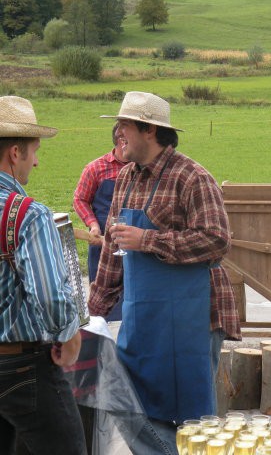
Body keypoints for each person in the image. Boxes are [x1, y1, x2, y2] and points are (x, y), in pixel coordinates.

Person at [88, 91, 241, 453]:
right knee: (124, 400)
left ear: (150, 131)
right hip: (145, 315)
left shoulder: (192, 177)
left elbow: (217, 241)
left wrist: (149, 240)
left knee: (192, 419)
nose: (118, 133)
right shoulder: (125, 178)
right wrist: (94, 311)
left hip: (194, 317)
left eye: (124, 126)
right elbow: (113, 247)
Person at [0, 96, 85, 454]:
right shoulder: (28, 215)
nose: (36, 161)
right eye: (34, 151)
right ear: (15, 152)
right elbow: (50, 297)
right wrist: (69, 335)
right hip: (23, 367)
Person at [73, 122, 127, 321]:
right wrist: (93, 224)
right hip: (102, 245)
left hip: (133, 243)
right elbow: (79, 199)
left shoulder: (141, 168)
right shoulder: (96, 168)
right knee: (104, 301)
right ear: (122, 142)